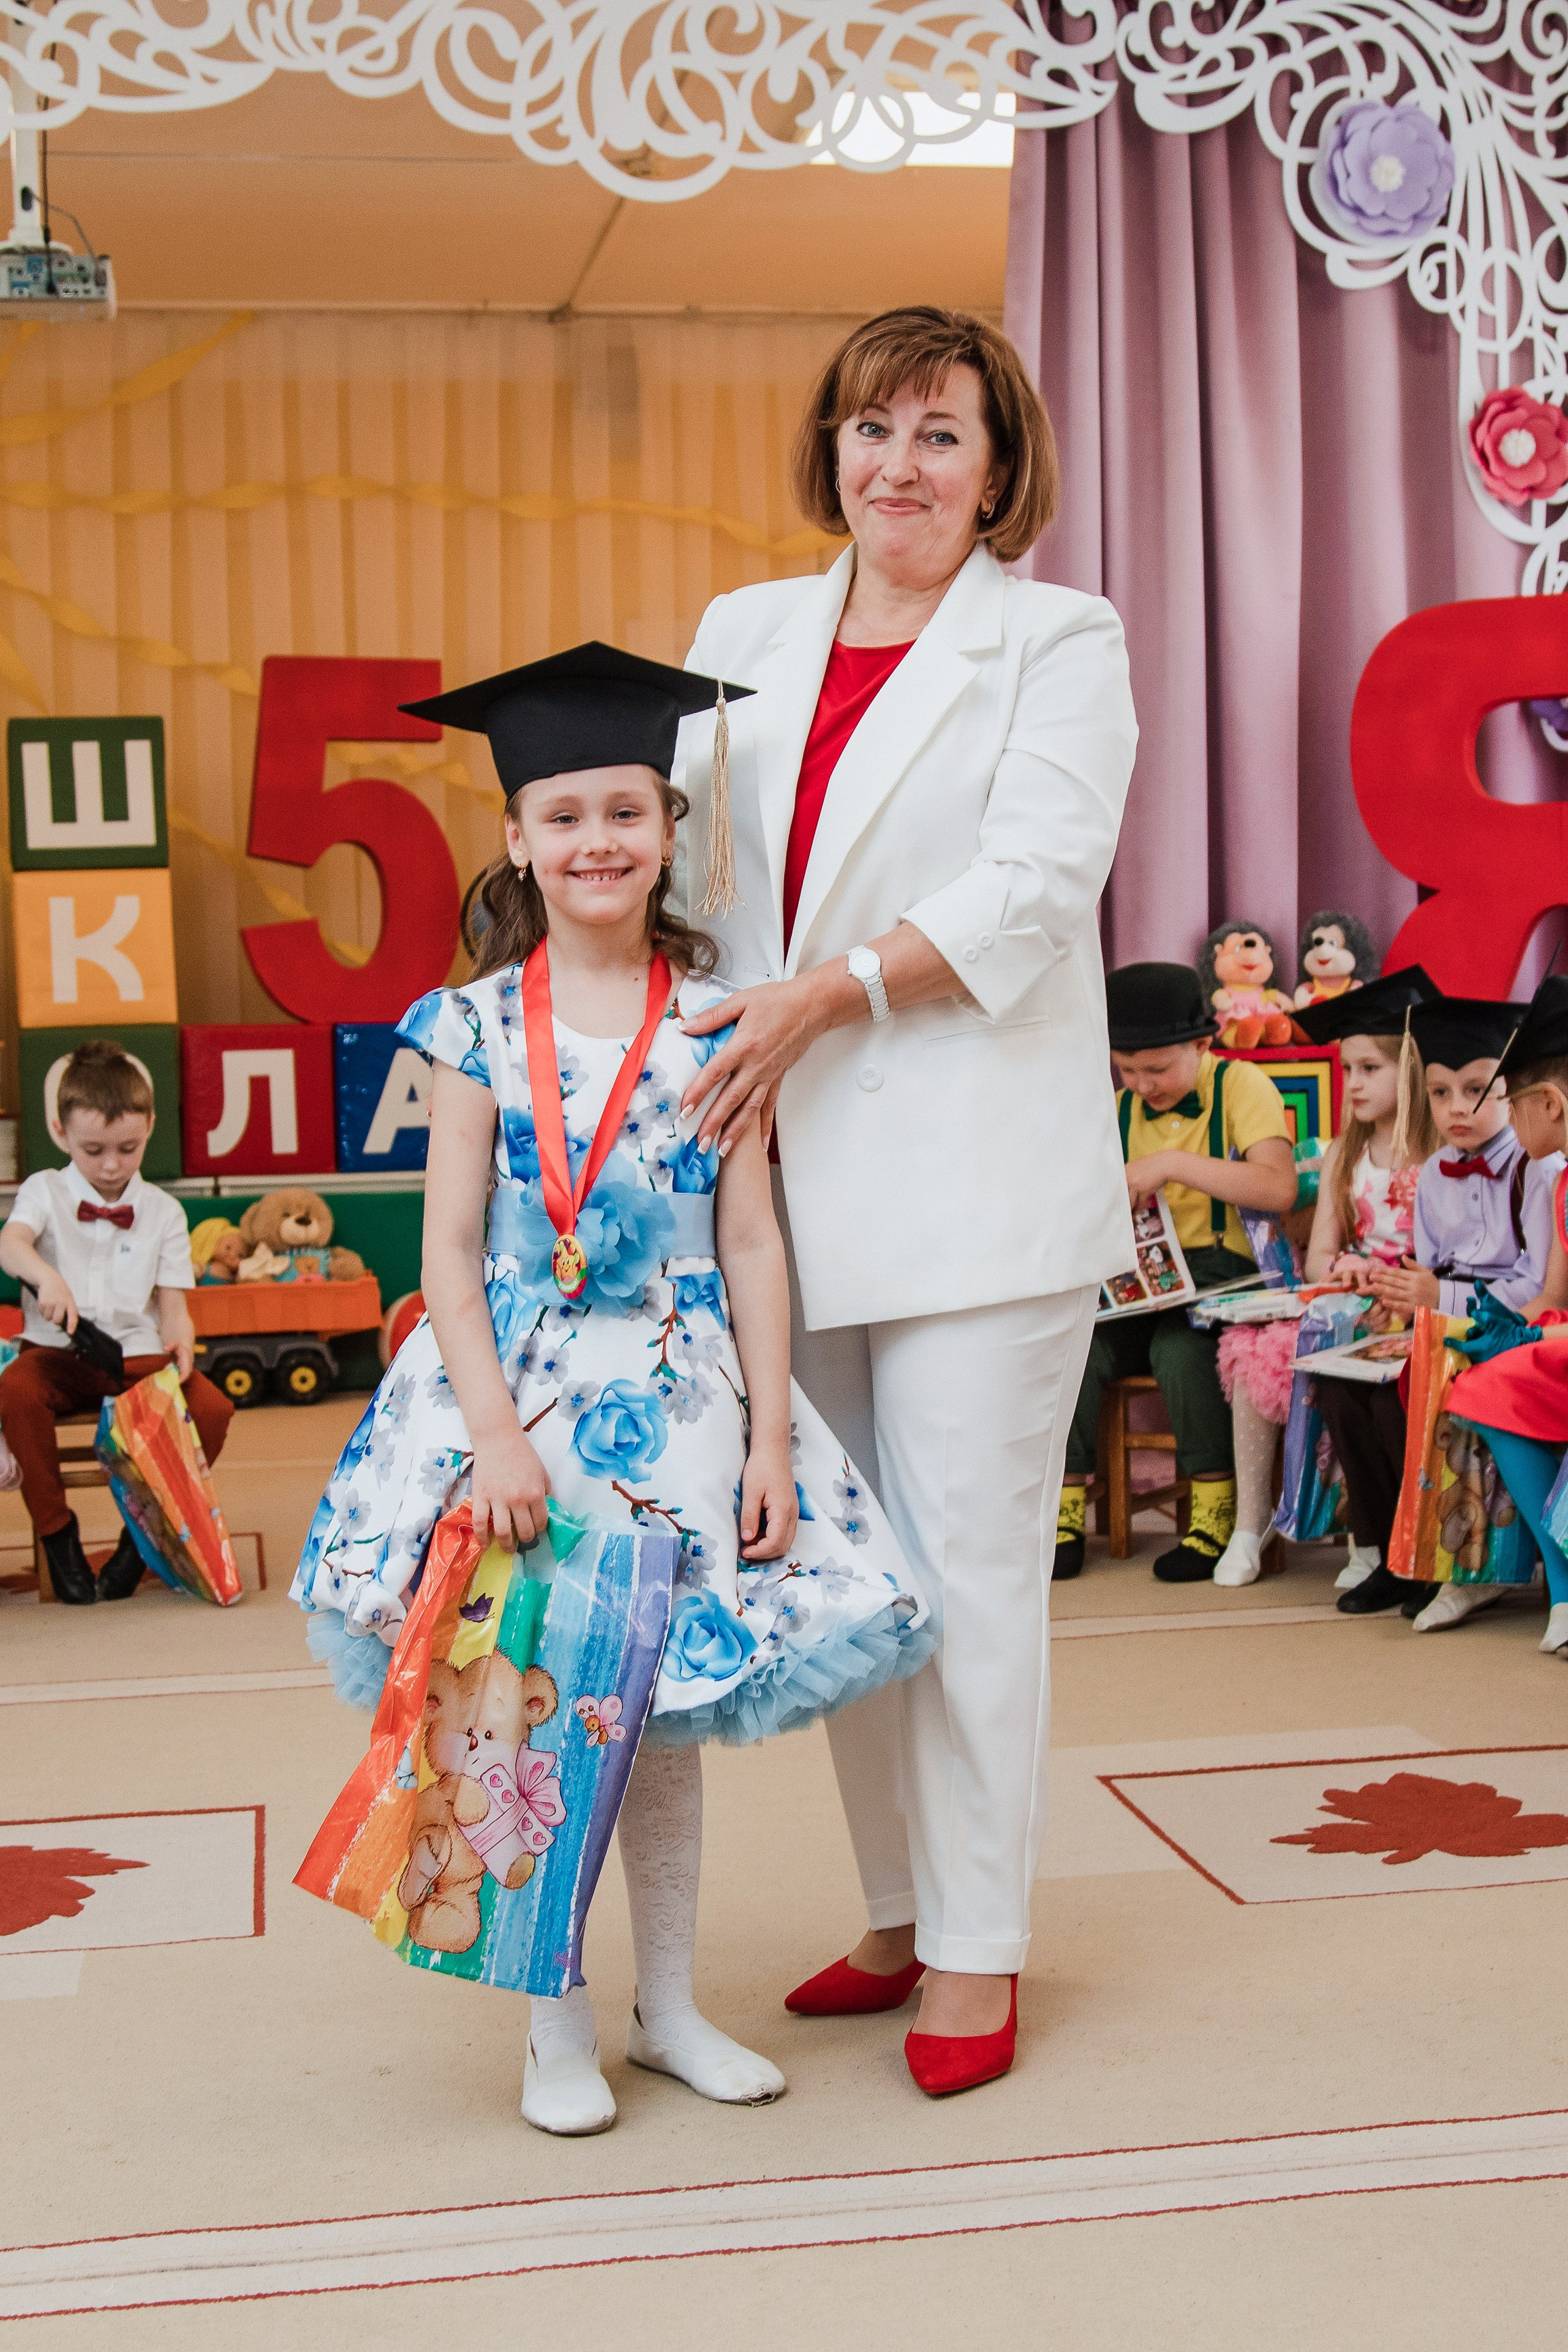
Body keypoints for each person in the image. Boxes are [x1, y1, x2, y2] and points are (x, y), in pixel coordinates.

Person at [290, 644, 927, 2137]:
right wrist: (493, 1437)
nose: (597, 841)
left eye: (626, 811)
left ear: (667, 828)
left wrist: (767, 1435)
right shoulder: (470, 1026)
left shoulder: (718, 1016)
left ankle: (670, 2010)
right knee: (530, 1710)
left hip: (677, 1404)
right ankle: (554, 2025)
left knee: (654, 1719)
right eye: (564, 815)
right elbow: (449, 1256)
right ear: (516, 837)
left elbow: (750, 1236)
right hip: (515, 1407)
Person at [667, 306, 1139, 2094]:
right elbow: (688, 876)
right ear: (831, 449)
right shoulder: (740, 632)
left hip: (969, 1187)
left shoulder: (1058, 637)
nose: (900, 464)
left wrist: (826, 992)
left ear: (997, 470)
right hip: (771, 1184)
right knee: (842, 1576)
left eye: (941, 434)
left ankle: (977, 1945)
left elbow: (1034, 884)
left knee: (964, 1574)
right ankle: (894, 1907)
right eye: (871, 428)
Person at [1058, 961, 1296, 1585]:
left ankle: (1215, 1511)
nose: (1143, 1085)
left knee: (1181, 1350)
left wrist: (1169, 1163)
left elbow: (1278, 1188)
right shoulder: (1118, 1109)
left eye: (1158, 1069)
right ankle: (1064, 1510)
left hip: (1224, 1279)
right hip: (1138, 1282)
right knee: (1073, 1345)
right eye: (1128, 1070)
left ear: (1202, 1044)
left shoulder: (1241, 1085)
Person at [0, 1039, 230, 1605]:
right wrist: (46, 1278)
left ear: (149, 1126)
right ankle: (58, 1534)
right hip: (58, 1356)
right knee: (16, 1391)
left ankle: (141, 1540)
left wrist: (181, 1341)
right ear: (61, 1131)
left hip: (136, 1357)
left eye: (127, 1149)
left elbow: (173, 1306)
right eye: (93, 1150)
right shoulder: (45, 1190)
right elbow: (12, 1244)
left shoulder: (164, 1211)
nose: (110, 1165)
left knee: (211, 1409)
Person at [1370, 996, 1562, 1632]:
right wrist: (1399, 1295)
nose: (1458, 1108)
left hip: (1513, 1319)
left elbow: (1540, 1285)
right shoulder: (1432, 1173)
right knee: (1371, 1390)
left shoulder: (1541, 1169)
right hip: (1464, 1317)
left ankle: (1486, 1563)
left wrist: (1454, 1308)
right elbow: (1429, 1267)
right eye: (1440, 1093)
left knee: (1461, 1389)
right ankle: (1406, 1554)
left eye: (1478, 1090)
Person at [1291, 972, 1440, 1618]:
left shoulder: (1437, 1152)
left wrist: (1406, 1291)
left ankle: (1420, 1555)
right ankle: (1381, 1550)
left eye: (1369, 1069)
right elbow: (1319, 1255)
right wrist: (1347, 1269)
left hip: (1424, 1307)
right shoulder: (1344, 1154)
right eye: (1346, 1068)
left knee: (1391, 1402)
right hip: (1368, 1312)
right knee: (1340, 1393)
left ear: (1409, 1071)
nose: (1351, 1083)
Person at [1446, 976, 1568, 1657]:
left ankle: (1562, 1577)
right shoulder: (1563, 1183)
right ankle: (1552, 1577)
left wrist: (1532, 1339)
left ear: (1549, 1103)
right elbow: (1555, 1295)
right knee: (1481, 1377)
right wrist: (1511, 1328)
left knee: (1496, 1382)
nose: (1511, 1123)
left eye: (1513, 1104)